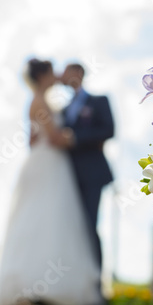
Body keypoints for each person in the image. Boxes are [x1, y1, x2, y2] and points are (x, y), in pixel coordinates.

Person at [0, 59, 104, 305]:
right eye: (51, 73)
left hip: (46, 164)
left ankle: (40, 288)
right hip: (49, 163)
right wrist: (81, 140)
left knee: (45, 221)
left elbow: (32, 138)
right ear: (42, 76)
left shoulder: (41, 101)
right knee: (46, 220)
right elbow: (53, 137)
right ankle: (38, 288)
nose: (56, 76)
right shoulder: (40, 101)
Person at [60, 63, 114, 291]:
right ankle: (71, 282)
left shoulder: (99, 101)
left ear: (80, 74)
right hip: (67, 178)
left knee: (90, 226)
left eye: (73, 72)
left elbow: (109, 130)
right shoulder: (62, 110)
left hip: (92, 175)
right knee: (69, 228)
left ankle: (95, 284)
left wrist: (75, 138)